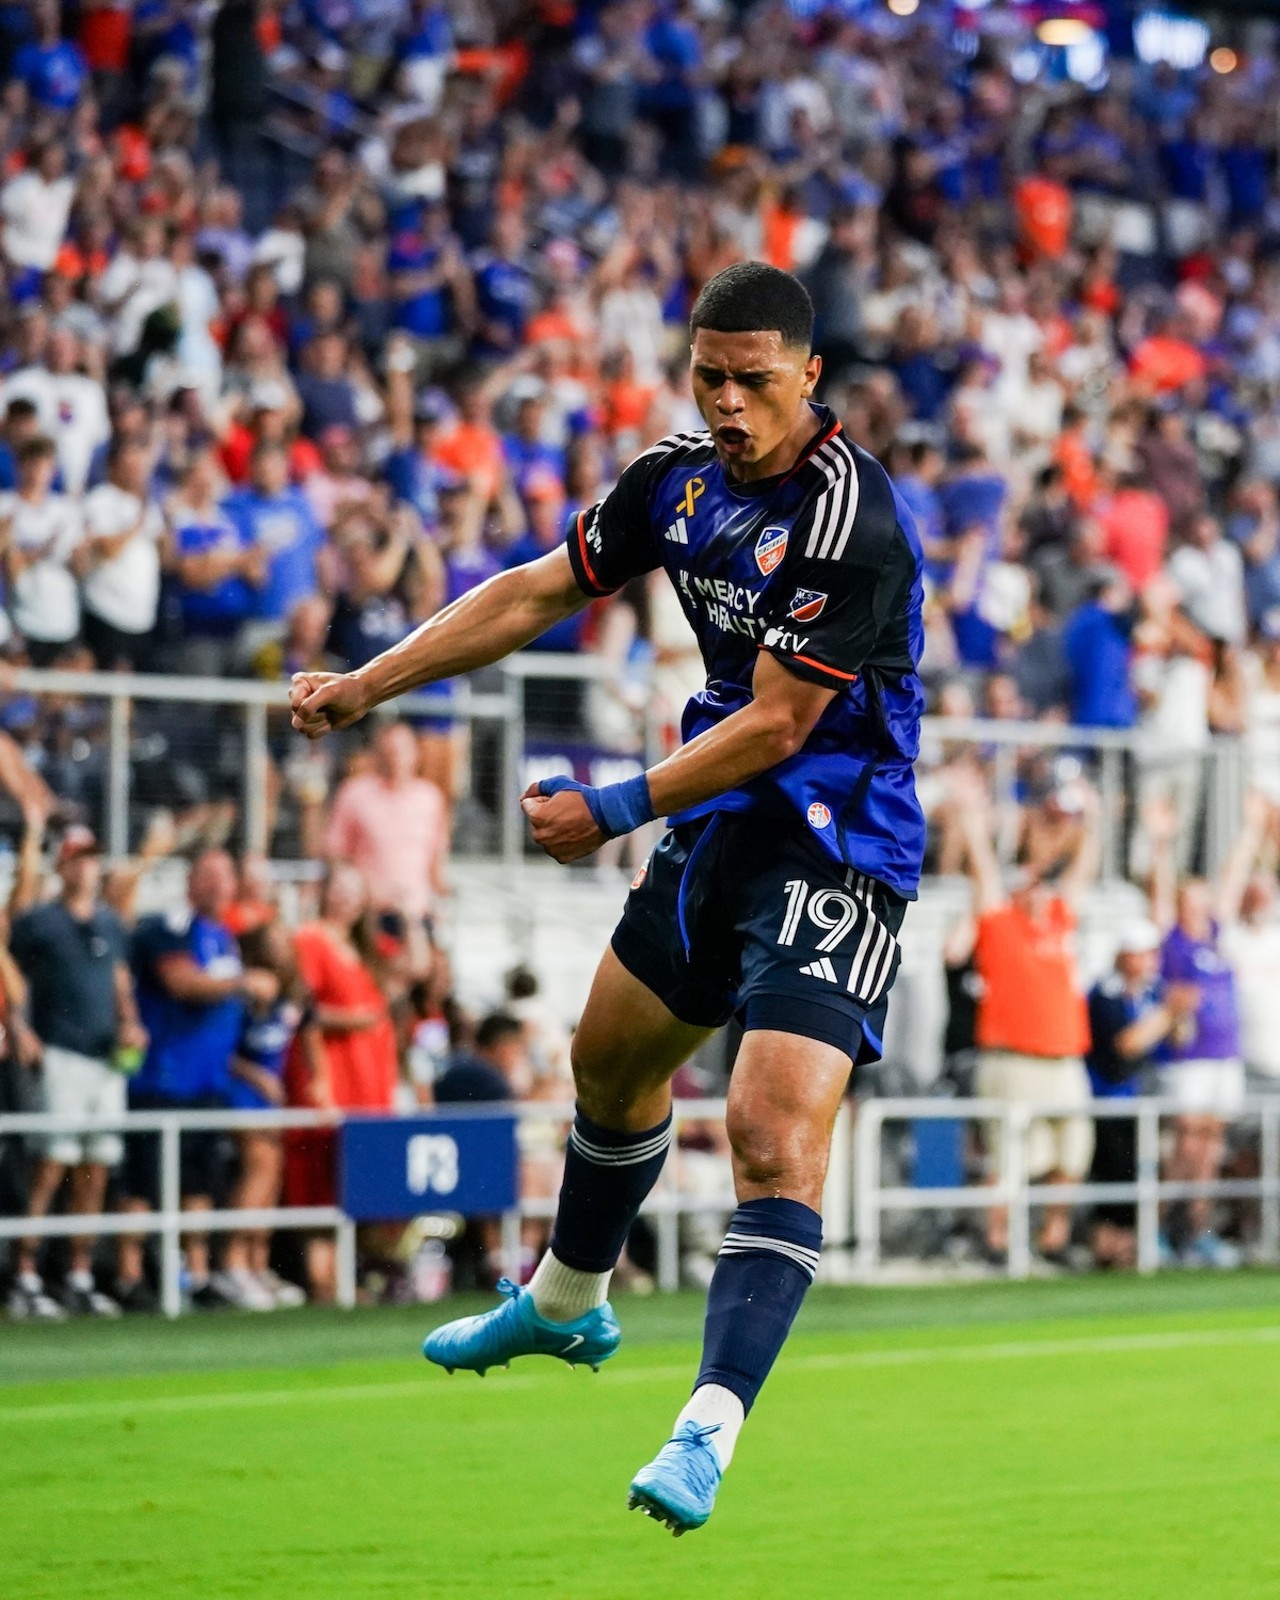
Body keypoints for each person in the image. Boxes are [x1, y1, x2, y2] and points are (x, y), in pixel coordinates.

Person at [291, 262, 926, 1534]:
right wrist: (374, 678)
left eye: (754, 379)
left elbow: (779, 722)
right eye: (708, 377)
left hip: (835, 842)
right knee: (607, 1069)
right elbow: (536, 588)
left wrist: (617, 804)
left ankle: (705, 1427)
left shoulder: (852, 519)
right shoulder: (673, 482)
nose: (729, 402)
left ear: (809, 376)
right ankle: (566, 1301)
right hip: (717, 829)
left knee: (765, 1128)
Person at [119, 849, 278, 1311]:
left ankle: (199, 1273)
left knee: (199, 1184)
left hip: (207, 1082)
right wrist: (244, 983)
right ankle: (132, 1277)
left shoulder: (223, 936)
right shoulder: (169, 926)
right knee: (144, 1185)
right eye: (207, 875)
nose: (217, 885)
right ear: (191, 881)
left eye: (224, 876)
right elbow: (181, 983)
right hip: (163, 1080)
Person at [957, 772, 1099, 1263]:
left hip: (1063, 1057)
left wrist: (1093, 819)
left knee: (1072, 1154)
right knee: (1010, 1159)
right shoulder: (999, 924)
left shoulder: (1059, 920)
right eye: (1028, 886)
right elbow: (984, 875)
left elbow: (1082, 871)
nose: (1037, 891)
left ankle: (1053, 1240)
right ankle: (995, 1240)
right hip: (1012, 1059)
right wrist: (975, 827)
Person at [7, 827, 147, 1319]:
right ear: (63, 866)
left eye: (92, 858)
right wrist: (18, 1028)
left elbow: (119, 980)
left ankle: (78, 1271)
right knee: (51, 1165)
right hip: (59, 1052)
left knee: (96, 1167)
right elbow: (10, 973)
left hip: (104, 1057)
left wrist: (130, 1023)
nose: (86, 867)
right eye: (77, 859)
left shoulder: (109, 923)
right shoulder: (39, 922)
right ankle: (25, 1272)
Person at [285, 863, 398, 1303]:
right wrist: (321, 1081)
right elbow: (303, 1010)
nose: (349, 899)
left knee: (352, 1185)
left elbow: (412, 969)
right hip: (333, 1081)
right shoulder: (311, 939)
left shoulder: (362, 948)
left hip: (367, 1086)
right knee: (320, 1183)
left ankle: (345, 1277)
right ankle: (324, 1281)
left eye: (357, 890)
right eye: (341, 889)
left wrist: (407, 914)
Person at [1146, 798, 1247, 1268]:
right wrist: (1161, 842)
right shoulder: (1175, 943)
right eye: (1192, 901)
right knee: (1185, 1143)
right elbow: (1161, 894)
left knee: (1211, 1147)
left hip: (1224, 1056)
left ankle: (1198, 1228)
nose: (1200, 908)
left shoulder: (1214, 938)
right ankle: (1162, 1225)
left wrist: (1250, 831)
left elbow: (1232, 883)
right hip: (1190, 1058)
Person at [214, 920, 317, 1311]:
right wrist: (257, 1076)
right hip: (240, 1089)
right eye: (272, 942)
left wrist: (319, 1081)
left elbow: (310, 1038)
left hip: (270, 1096)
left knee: (273, 1172)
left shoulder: (294, 996)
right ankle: (232, 1262)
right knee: (261, 1162)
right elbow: (222, 1051)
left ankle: (257, 1263)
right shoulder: (243, 995)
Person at [1085, 920, 1194, 1269]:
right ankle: (1109, 1250)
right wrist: (1168, 1012)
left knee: (1145, 1173)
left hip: (1142, 1098)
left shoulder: (1150, 992)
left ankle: (1136, 1246)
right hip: (1110, 1097)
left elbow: (1180, 1040)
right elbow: (1126, 1045)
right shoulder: (1104, 993)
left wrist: (1178, 1015)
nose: (1150, 962)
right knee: (1114, 1176)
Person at [323, 719, 449, 930]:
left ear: (416, 754)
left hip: (417, 915)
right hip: (370, 916)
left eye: (401, 751)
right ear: (377, 754)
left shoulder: (430, 799)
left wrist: (442, 901)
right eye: (389, 751)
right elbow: (336, 853)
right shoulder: (355, 793)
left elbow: (436, 862)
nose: (395, 758)